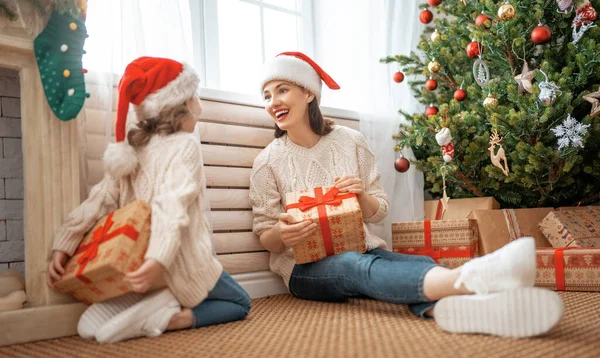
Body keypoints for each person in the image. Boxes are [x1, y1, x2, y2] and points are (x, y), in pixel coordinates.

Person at [249, 51, 563, 338]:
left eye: (282, 90)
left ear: (308, 93)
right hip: (302, 271)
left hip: (362, 249)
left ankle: (455, 310)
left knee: (414, 262)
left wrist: (361, 198)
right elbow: (266, 236)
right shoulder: (267, 162)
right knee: (351, 266)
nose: (272, 101)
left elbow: (379, 209)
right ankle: (471, 278)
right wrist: (284, 233)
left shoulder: (350, 141)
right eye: (266, 95)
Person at [47, 57, 251, 343]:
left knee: (173, 287)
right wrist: (159, 260)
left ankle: (143, 299)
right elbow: (171, 207)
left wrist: (64, 243)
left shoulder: (132, 149)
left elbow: (101, 200)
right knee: (241, 302)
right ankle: (170, 315)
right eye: (195, 96)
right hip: (177, 264)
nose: (200, 105)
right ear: (181, 105)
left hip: (135, 264)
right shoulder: (184, 146)